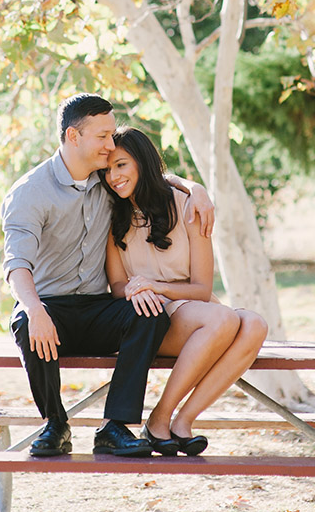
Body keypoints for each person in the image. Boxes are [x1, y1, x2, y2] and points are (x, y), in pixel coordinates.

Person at [2, 93, 214, 458]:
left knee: (149, 312)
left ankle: (115, 426)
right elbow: (16, 263)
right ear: (73, 136)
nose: (110, 144)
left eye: (112, 134)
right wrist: (35, 310)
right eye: (102, 136)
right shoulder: (30, 192)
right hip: (51, 307)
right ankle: (55, 424)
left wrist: (196, 189)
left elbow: (150, 173)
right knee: (26, 321)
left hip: (98, 306)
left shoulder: (107, 178)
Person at [104, 127, 268, 456]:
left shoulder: (189, 207)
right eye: (107, 169)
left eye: (121, 165)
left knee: (255, 325)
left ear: (141, 161)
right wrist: (140, 290)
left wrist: (156, 284)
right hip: (151, 321)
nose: (113, 176)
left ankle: (181, 421)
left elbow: (202, 288)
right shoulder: (111, 216)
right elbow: (118, 286)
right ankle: (159, 420)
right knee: (222, 319)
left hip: (195, 309)